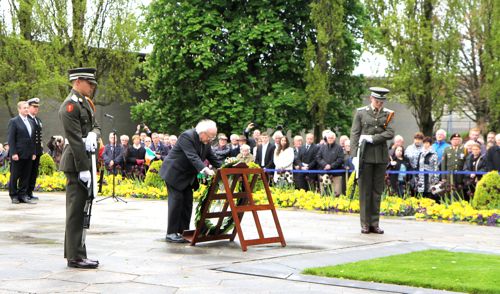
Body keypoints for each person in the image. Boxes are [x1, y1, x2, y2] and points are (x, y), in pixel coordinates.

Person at [59, 67, 101, 269]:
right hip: (76, 163)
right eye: (89, 83)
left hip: (85, 160)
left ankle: (78, 252)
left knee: (82, 208)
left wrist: (93, 134)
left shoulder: (86, 103)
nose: (92, 87)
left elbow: (96, 126)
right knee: (76, 211)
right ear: (77, 81)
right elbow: (75, 140)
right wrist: (83, 168)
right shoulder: (69, 106)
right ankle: (75, 256)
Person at [159, 119, 221, 243]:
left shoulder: (206, 141)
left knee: (187, 203)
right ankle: (171, 233)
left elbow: (213, 158)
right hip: (174, 174)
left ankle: (183, 231)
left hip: (187, 177)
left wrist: (226, 167)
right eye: (210, 136)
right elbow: (192, 156)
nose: (211, 140)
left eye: (213, 137)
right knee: (176, 202)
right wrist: (204, 169)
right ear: (202, 132)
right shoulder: (187, 136)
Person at [350, 87, 395, 234]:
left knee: (377, 191)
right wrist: (354, 155)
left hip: (380, 156)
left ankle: (374, 223)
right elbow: (355, 134)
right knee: (365, 191)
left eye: (381, 101)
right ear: (371, 99)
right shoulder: (361, 112)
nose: (379, 104)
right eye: (377, 101)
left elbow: (390, 132)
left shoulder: (388, 114)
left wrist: (373, 138)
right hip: (365, 155)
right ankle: (364, 223)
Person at [7, 101, 36, 204]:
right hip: (18, 154)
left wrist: (33, 152)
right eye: (24, 108)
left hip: (28, 153)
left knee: (26, 175)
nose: (26, 109)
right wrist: (13, 153)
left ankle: (22, 195)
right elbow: (11, 139)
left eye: (27, 108)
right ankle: (14, 195)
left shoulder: (31, 122)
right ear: (19, 109)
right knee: (15, 175)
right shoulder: (14, 121)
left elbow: (32, 139)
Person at [25, 98, 43, 201]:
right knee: (27, 172)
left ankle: (30, 191)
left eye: (37, 107)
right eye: (34, 106)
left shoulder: (38, 120)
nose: (36, 109)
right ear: (29, 107)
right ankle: (25, 192)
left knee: (34, 172)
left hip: (37, 150)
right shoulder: (27, 119)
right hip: (30, 151)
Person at [316, 131, 344, 196]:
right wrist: (325, 165)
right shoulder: (322, 147)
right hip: (324, 174)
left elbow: (340, 159)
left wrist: (331, 166)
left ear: (334, 138)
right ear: (326, 138)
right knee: (324, 194)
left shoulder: (339, 148)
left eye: (331, 138)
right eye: (329, 138)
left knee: (336, 194)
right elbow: (318, 157)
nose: (330, 139)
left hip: (335, 175)